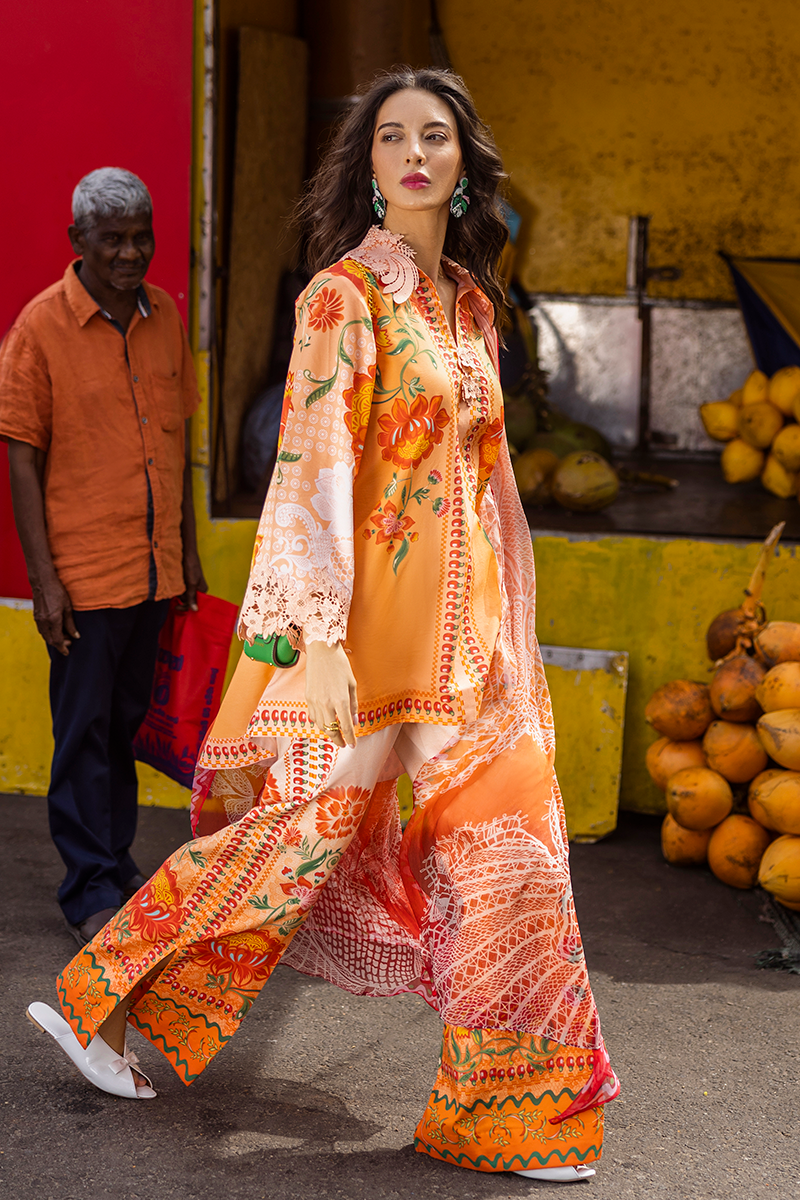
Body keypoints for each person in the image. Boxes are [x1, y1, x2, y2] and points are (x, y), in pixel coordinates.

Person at [27, 73, 618, 1182]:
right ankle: (97, 1002)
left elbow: (485, 486)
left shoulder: (471, 306)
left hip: (468, 654)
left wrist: (510, 634)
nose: (413, 153)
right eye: (391, 136)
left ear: (462, 162)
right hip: (360, 649)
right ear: (368, 163)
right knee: (278, 851)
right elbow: (309, 472)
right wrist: (323, 640)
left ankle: (512, 1116)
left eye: (433, 135)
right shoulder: (342, 300)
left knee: (521, 857)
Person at [0, 168, 206, 945]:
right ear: (77, 241)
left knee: (123, 726)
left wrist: (186, 553)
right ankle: (87, 885)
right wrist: (44, 584)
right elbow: (21, 457)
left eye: (140, 237)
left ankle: (114, 866)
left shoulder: (164, 317)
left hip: (152, 570)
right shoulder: (39, 328)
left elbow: (177, 444)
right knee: (83, 732)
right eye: (112, 239)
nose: (130, 253)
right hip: (83, 578)